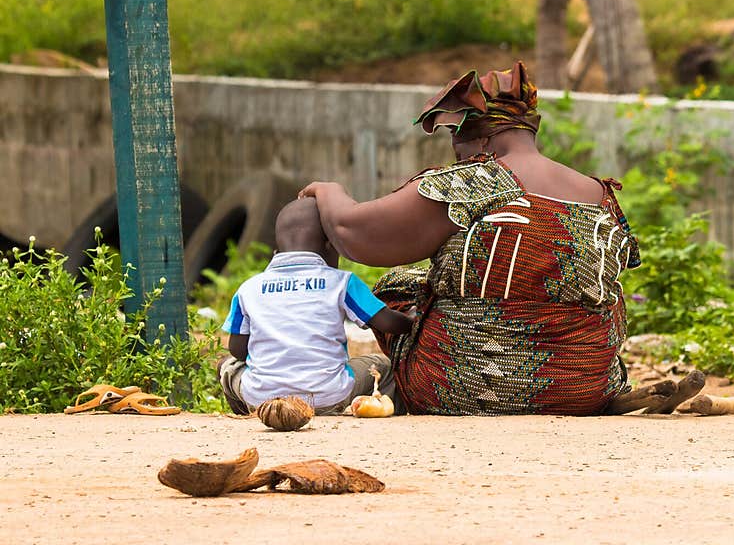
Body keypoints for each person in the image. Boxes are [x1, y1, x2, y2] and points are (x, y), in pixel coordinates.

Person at [297, 61, 701, 416]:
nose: (456, 151)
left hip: (466, 387)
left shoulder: (478, 180)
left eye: (457, 138)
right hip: (585, 387)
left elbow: (357, 235)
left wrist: (327, 189)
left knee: (397, 286)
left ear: (481, 137)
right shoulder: (598, 193)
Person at [216, 196, 413, 416]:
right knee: (382, 366)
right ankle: (389, 410)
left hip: (262, 397)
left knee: (228, 366)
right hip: (329, 396)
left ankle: (253, 413)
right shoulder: (341, 283)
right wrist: (415, 321)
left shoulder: (248, 289)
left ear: (276, 251)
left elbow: (237, 350)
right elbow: (387, 322)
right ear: (331, 246)